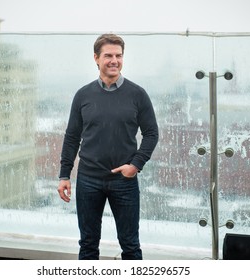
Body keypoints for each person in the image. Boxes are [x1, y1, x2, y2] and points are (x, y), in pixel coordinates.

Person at [57, 33, 158, 260]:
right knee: (88, 245)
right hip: (88, 179)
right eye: (108, 55)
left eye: (119, 55)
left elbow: (151, 134)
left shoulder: (137, 94)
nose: (114, 60)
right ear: (96, 58)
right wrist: (64, 175)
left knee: (130, 245)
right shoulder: (83, 95)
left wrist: (136, 165)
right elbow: (72, 137)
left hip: (124, 181)